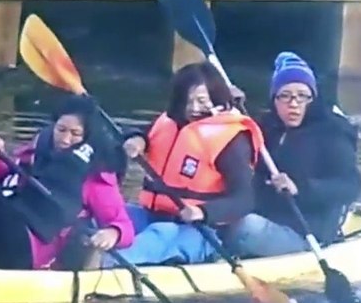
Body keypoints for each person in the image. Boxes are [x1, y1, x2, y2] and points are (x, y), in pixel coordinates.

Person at [0, 94, 134, 271]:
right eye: (61, 130)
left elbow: (123, 226)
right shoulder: (35, 152)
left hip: (33, 248)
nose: (65, 139)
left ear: (86, 136)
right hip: (5, 230)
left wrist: (112, 233)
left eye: (75, 134)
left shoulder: (95, 175)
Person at [108, 61, 263, 267]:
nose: (193, 109)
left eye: (201, 101)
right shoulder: (168, 122)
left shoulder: (231, 139)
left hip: (201, 232)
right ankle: (66, 252)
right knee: (112, 212)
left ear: (216, 99)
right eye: (187, 101)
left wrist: (204, 212)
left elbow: (244, 199)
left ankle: (102, 263)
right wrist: (137, 139)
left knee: (161, 234)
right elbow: (144, 133)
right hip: (152, 215)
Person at [227, 51, 361, 257]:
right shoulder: (267, 127)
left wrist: (301, 188)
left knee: (245, 227)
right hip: (265, 215)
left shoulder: (332, 132)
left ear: (313, 98)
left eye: (302, 97)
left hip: (305, 231)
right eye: (285, 96)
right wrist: (229, 107)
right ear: (274, 99)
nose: (294, 104)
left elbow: (350, 186)